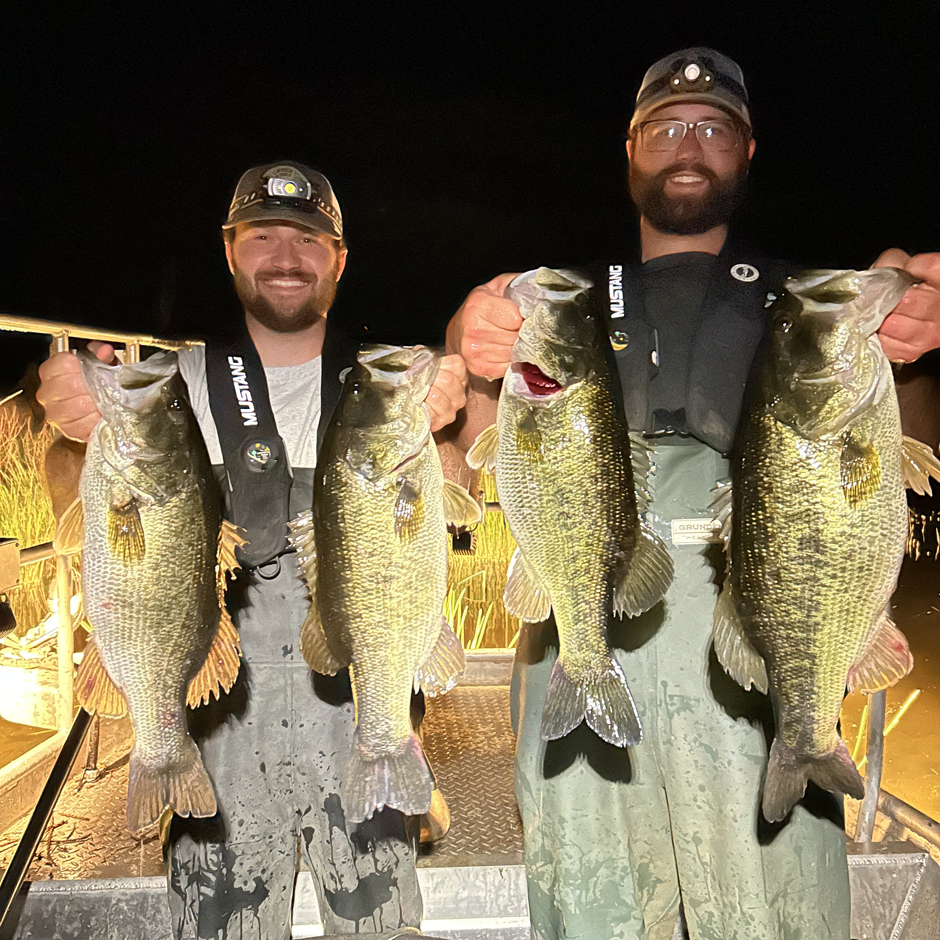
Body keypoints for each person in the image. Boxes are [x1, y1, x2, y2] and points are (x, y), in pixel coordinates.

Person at [446, 49, 940, 940]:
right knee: (594, 897)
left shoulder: (810, 305)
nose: (689, 144)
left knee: (770, 905)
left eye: (713, 127)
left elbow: (905, 453)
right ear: (630, 149)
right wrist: (470, 349)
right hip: (589, 600)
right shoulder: (560, 305)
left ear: (748, 151)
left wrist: (907, 352)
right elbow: (480, 455)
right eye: (666, 126)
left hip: (750, 617)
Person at [37, 161, 469, 939]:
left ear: (338, 258)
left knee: (377, 924)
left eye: (308, 239)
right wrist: (71, 435)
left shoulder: (388, 386)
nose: (285, 255)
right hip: (221, 721)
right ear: (230, 250)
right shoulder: (173, 383)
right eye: (263, 235)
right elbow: (78, 496)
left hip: (355, 711)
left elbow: (457, 497)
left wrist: (457, 416)